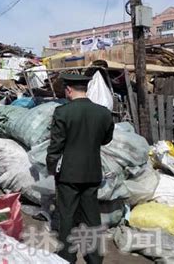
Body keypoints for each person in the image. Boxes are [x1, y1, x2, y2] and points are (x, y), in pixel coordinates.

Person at [46, 74, 114, 264]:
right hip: (92, 172)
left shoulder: (63, 112)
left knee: (67, 216)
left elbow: (56, 145)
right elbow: (106, 139)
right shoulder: (103, 112)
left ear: (69, 90)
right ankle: (94, 258)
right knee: (92, 217)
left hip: (68, 173)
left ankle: (66, 257)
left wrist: (52, 166)